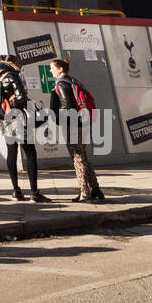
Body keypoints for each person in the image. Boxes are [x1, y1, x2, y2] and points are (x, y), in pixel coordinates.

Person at [0, 56, 49, 202]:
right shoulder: (11, 75)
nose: (20, 67)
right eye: (19, 64)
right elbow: (21, 98)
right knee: (30, 154)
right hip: (19, 119)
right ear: (13, 64)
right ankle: (34, 193)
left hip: (4, 119)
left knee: (11, 153)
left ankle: (16, 191)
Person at [49, 58, 105, 203]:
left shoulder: (61, 83)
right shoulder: (72, 80)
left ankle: (84, 192)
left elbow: (67, 106)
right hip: (82, 122)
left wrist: (58, 119)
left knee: (77, 158)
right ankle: (96, 189)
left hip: (71, 123)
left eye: (52, 68)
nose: (50, 71)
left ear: (61, 69)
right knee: (83, 156)